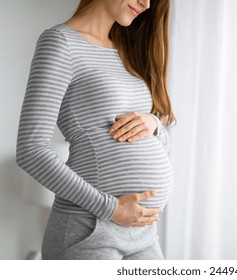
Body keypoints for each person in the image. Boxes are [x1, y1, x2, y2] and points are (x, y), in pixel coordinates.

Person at [15, 0, 176, 260]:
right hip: (89, 231)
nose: (146, 4)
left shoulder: (127, 50)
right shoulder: (61, 42)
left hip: (144, 234)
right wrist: (111, 208)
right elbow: (30, 150)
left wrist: (154, 124)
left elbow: (161, 144)